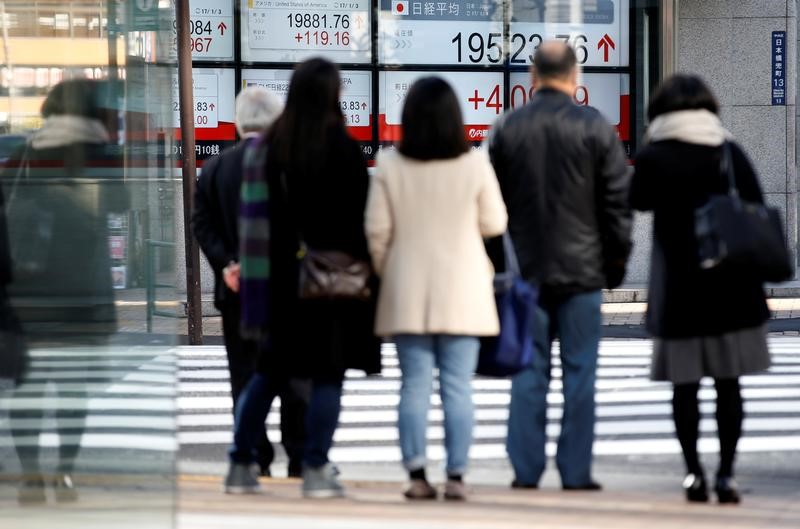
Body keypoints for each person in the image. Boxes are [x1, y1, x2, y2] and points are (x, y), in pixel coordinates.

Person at [225, 58, 381, 498]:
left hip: (277, 283)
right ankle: (314, 468)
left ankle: (239, 463)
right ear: (332, 94)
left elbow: (253, 223)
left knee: (268, 373)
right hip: (331, 284)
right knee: (328, 377)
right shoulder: (344, 147)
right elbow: (360, 222)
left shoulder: (268, 148)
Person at [488, 41, 632, 490]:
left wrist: (498, 268)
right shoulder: (595, 128)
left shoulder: (507, 127)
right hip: (583, 273)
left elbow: (490, 210)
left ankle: (526, 471)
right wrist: (614, 264)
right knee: (580, 375)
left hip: (526, 275)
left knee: (528, 374)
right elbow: (617, 206)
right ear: (576, 77)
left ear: (533, 78)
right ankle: (575, 471)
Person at [630, 74, 771, 504]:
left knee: (684, 387)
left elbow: (637, 200)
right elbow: (757, 204)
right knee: (729, 385)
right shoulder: (728, 151)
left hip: (680, 292)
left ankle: (694, 474)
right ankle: (726, 474)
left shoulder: (655, 154)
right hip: (733, 289)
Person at [366, 77, 507, 501]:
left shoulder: (389, 164)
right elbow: (495, 223)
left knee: (414, 385)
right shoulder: (476, 163)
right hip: (463, 290)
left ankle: (416, 475)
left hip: (407, 289)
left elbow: (376, 232)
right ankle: (457, 475)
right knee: (458, 386)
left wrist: (390, 271)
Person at [1, 78, 129, 503]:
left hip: (29, 293)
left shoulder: (23, 154)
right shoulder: (101, 154)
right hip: (83, 292)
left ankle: (33, 477)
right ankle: (65, 475)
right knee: (73, 393)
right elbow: (123, 204)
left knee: (30, 392)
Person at [192, 86, 308, 478]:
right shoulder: (290, 164)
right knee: (294, 374)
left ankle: (255, 454)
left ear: (239, 122)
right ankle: (297, 452)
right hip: (286, 290)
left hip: (235, 290)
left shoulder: (215, 167)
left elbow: (201, 223)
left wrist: (227, 264)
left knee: (244, 374)